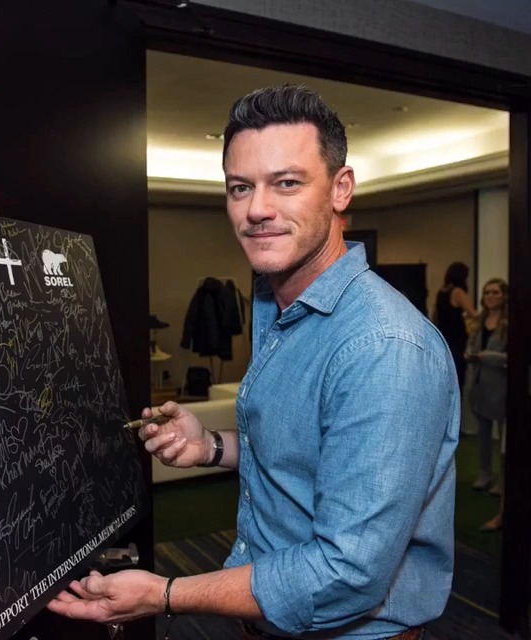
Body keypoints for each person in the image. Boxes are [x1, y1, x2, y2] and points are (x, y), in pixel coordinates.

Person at [48, 85, 460, 639]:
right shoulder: (275, 303)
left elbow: (347, 572)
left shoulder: (384, 347)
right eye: (240, 188)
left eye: (286, 183)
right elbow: (312, 454)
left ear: (341, 189)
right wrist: (209, 447)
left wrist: (165, 594)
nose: (257, 209)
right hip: (269, 620)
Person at [464, 278, 508, 499]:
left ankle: (503, 480)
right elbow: (471, 344)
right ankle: (485, 473)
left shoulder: (509, 323)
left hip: (502, 385)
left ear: (504, 295)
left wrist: (486, 356)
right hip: (480, 384)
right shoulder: (480, 320)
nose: (490, 296)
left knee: (503, 437)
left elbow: (512, 357)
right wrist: (469, 354)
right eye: (487, 292)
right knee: (482, 433)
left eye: (495, 292)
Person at [433, 262, 476, 391]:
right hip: (457, 338)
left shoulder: (441, 292)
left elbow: (436, 314)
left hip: (443, 337)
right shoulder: (457, 292)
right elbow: (472, 313)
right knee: (458, 374)